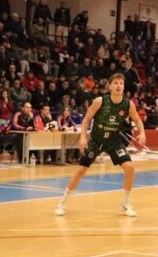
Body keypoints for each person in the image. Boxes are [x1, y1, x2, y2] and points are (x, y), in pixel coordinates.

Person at [54, 73, 146, 217]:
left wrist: (142, 133)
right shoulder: (100, 101)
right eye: (115, 83)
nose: (118, 86)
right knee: (81, 170)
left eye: (121, 83)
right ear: (110, 86)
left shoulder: (128, 104)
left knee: (130, 168)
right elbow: (86, 119)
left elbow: (138, 120)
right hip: (96, 140)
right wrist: (83, 137)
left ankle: (126, 203)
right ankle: (62, 202)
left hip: (114, 141)